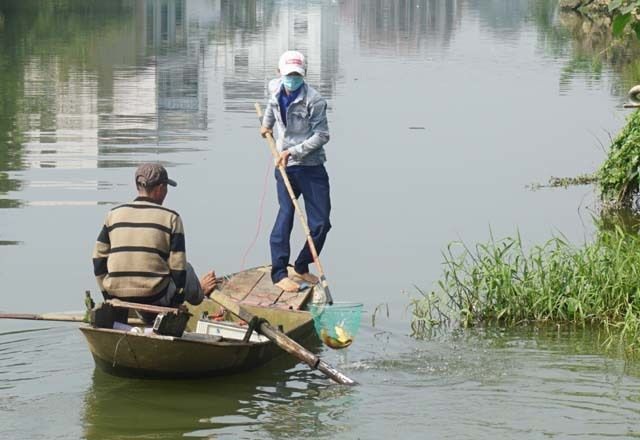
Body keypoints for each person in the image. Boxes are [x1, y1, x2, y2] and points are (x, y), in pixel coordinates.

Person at [92, 163, 216, 320]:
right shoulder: (171, 217)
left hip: (117, 294)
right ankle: (200, 293)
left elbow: (98, 260)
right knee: (187, 269)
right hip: (155, 296)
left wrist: (108, 296)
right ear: (161, 188)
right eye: (166, 189)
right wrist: (174, 304)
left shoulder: (113, 214)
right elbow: (178, 267)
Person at [260, 50, 332, 293]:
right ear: (280, 73)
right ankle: (279, 272)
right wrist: (266, 125)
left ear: (303, 75)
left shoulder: (315, 100)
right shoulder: (274, 89)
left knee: (321, 223)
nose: (292, 79)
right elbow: (271, 107)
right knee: (286, 215)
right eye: (288, 75)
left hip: (311, 167)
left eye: (296, 75)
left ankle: (301, 265)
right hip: (285, 168)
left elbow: (322, 135)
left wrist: (293, 152)